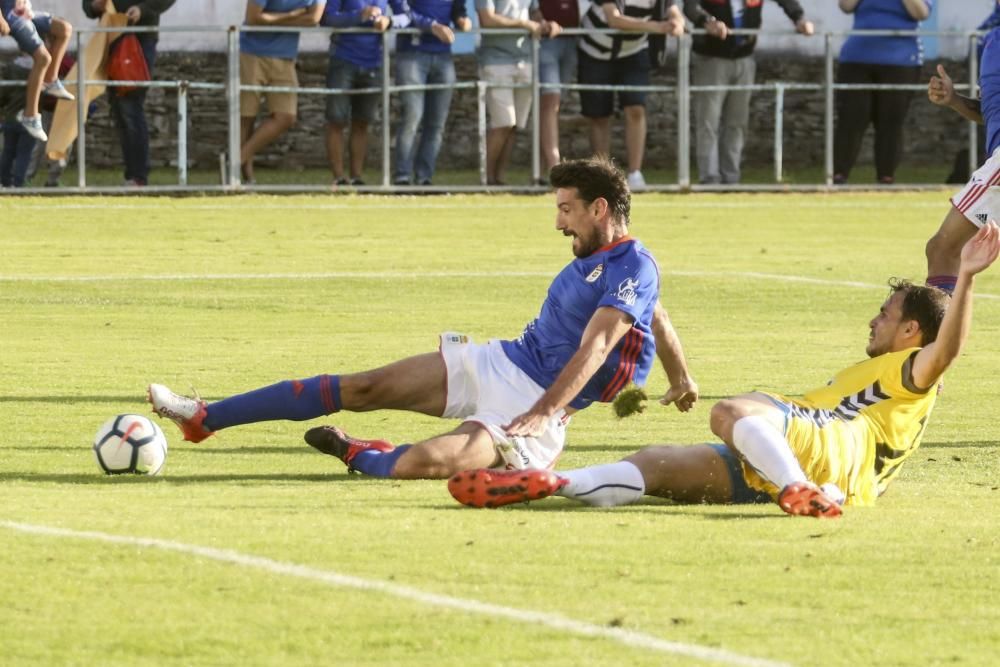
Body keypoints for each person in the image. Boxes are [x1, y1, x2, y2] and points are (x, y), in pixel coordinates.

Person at [148, 156, 699, 480]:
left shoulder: (634, 264)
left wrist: (542, 411)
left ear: (599, 209)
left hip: (541, 411)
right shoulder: (613, 267)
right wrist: (682, 378)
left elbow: (598, 348)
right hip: (502, 361)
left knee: (423, 465)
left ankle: (362, 453)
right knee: (365, 385)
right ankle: (203, 418)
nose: (558, 223)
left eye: (566, 209)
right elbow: (659, 316)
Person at [450, 222, 1000, 516]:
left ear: (910, 333)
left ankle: (795, 490)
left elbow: (946, 349)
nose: (874, 321)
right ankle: (551, 483)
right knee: (657, 466)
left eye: (886, 314)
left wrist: (969, 278)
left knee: (733, 409)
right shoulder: (889, 367)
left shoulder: (913, 372)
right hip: (817, 465)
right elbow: (939, 317)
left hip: (829, 450)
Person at [683, 0, 813, 185]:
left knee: (737, 122)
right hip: (711, 58)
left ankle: (731, 177)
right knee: (708, 121)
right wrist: (708, 21)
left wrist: (799, 18)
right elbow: (690, 6)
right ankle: (710, 178)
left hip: (744, 58)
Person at [577, 0, 685, 190]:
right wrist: (657, 27)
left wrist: (676, 22)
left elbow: (673, 10)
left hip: (634, 51)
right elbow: (614, 20)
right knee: (599, 116)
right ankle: (602, 176)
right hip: (595, 52)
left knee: (636, 107)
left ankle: (635, 173)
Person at [925, 25, 1000, 294]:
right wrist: (955, 100)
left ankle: (942, 337)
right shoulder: (992, 40)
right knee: (946, 250)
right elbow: (991, 111)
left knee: (944, 249)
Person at [833, 0, 933, 185]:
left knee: (891, 120)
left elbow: (921, 13)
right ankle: (839, 175)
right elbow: (845, 6)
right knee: (851, 117)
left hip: (901, 60)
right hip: (857, 57)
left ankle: (886, 177)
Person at [82, 0, 175, 187]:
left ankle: (138, 175)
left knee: (130, 105)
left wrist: (143, 10)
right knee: (119, 110)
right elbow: (87, 6)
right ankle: (133, 174)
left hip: (140, 38)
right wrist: (94, 6)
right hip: (111, 37)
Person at [322, 0, 412, 186]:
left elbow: (407, 15)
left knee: (362, 122)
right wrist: (359, 15)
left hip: (374, 63)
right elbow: (327, 18)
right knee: (336, 120)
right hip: (343, 61)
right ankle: (339, 178)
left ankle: (356, 177)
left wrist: (389, 20)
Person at [239, 0, 326, 185]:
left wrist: (271, 20)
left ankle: (237, 158)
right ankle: (244, 175)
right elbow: (253, 17)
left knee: (286, 116)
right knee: (246, 116)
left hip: (285, 56)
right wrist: (292, 16)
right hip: (252, 52)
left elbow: (313, 19)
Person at [475, 0, 559, 185]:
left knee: (514, 127)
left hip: (526, 59)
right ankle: (486, 180)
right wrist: (524, 24)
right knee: (503, 123)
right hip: (496, 60)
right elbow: (487, 19)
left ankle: (499, 179)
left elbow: (534, 12)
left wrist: (543, 23)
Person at [392, 0, 471, 186]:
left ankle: (424, 178)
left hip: (443, 57)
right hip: (412, 54)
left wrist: (462, 20)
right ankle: (402, 177)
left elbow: (458, 8)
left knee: (436, 123)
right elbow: (400, 9)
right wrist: (432, 26)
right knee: (412, 116)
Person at [1, 0, 74, 143]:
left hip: (22, 11)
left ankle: (50, 80)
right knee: (43, 59)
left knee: (64, 29)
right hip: (9, 16)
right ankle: (30, 115)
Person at [534, 0, 578, 174]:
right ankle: (554, 164)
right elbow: (531, 7)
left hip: (572, 40)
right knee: (550, 101)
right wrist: (542, 23)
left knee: (553, 105)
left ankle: (542, 170)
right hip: (546, 41)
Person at [0, 55, 37, 186]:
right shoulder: (41, 67)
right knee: (24, 153)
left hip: (11, 115)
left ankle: (5, 182)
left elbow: (3, 93)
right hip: (31, 116)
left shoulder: (11, 68)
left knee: (8, 151)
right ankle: (18, 183)